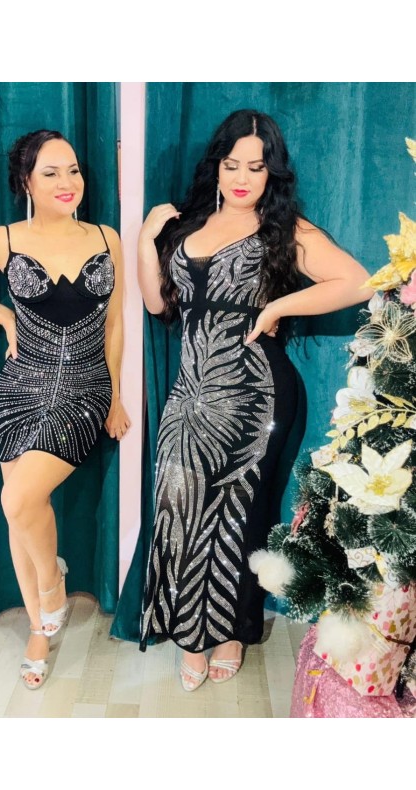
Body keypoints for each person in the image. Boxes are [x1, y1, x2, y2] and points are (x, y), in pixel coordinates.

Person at [137, 109, 373, 691]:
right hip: (190, 394)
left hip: (257, 395)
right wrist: (144, 240)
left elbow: (357, 280)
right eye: (232, 163)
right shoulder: (186, 226)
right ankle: (189, 631)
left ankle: (232, 631)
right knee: (178, 505)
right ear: (215, 167)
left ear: (272, 173)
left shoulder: (283, 230)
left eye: (257, 166)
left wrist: (277, 307)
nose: (243, 177)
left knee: (239, 516)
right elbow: (157, 305)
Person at [0, 129, 130, 689]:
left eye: (74, 170)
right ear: (26, 182)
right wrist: (2, 316)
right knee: (19, 513)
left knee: (17, 498)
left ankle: (52, 585)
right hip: (19, 389)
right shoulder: (6, 240)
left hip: (84, 388)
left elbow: (114, 324)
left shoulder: (107, 237)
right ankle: (40, 631)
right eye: (51, 173)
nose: (68, 183)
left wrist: (115, 395)